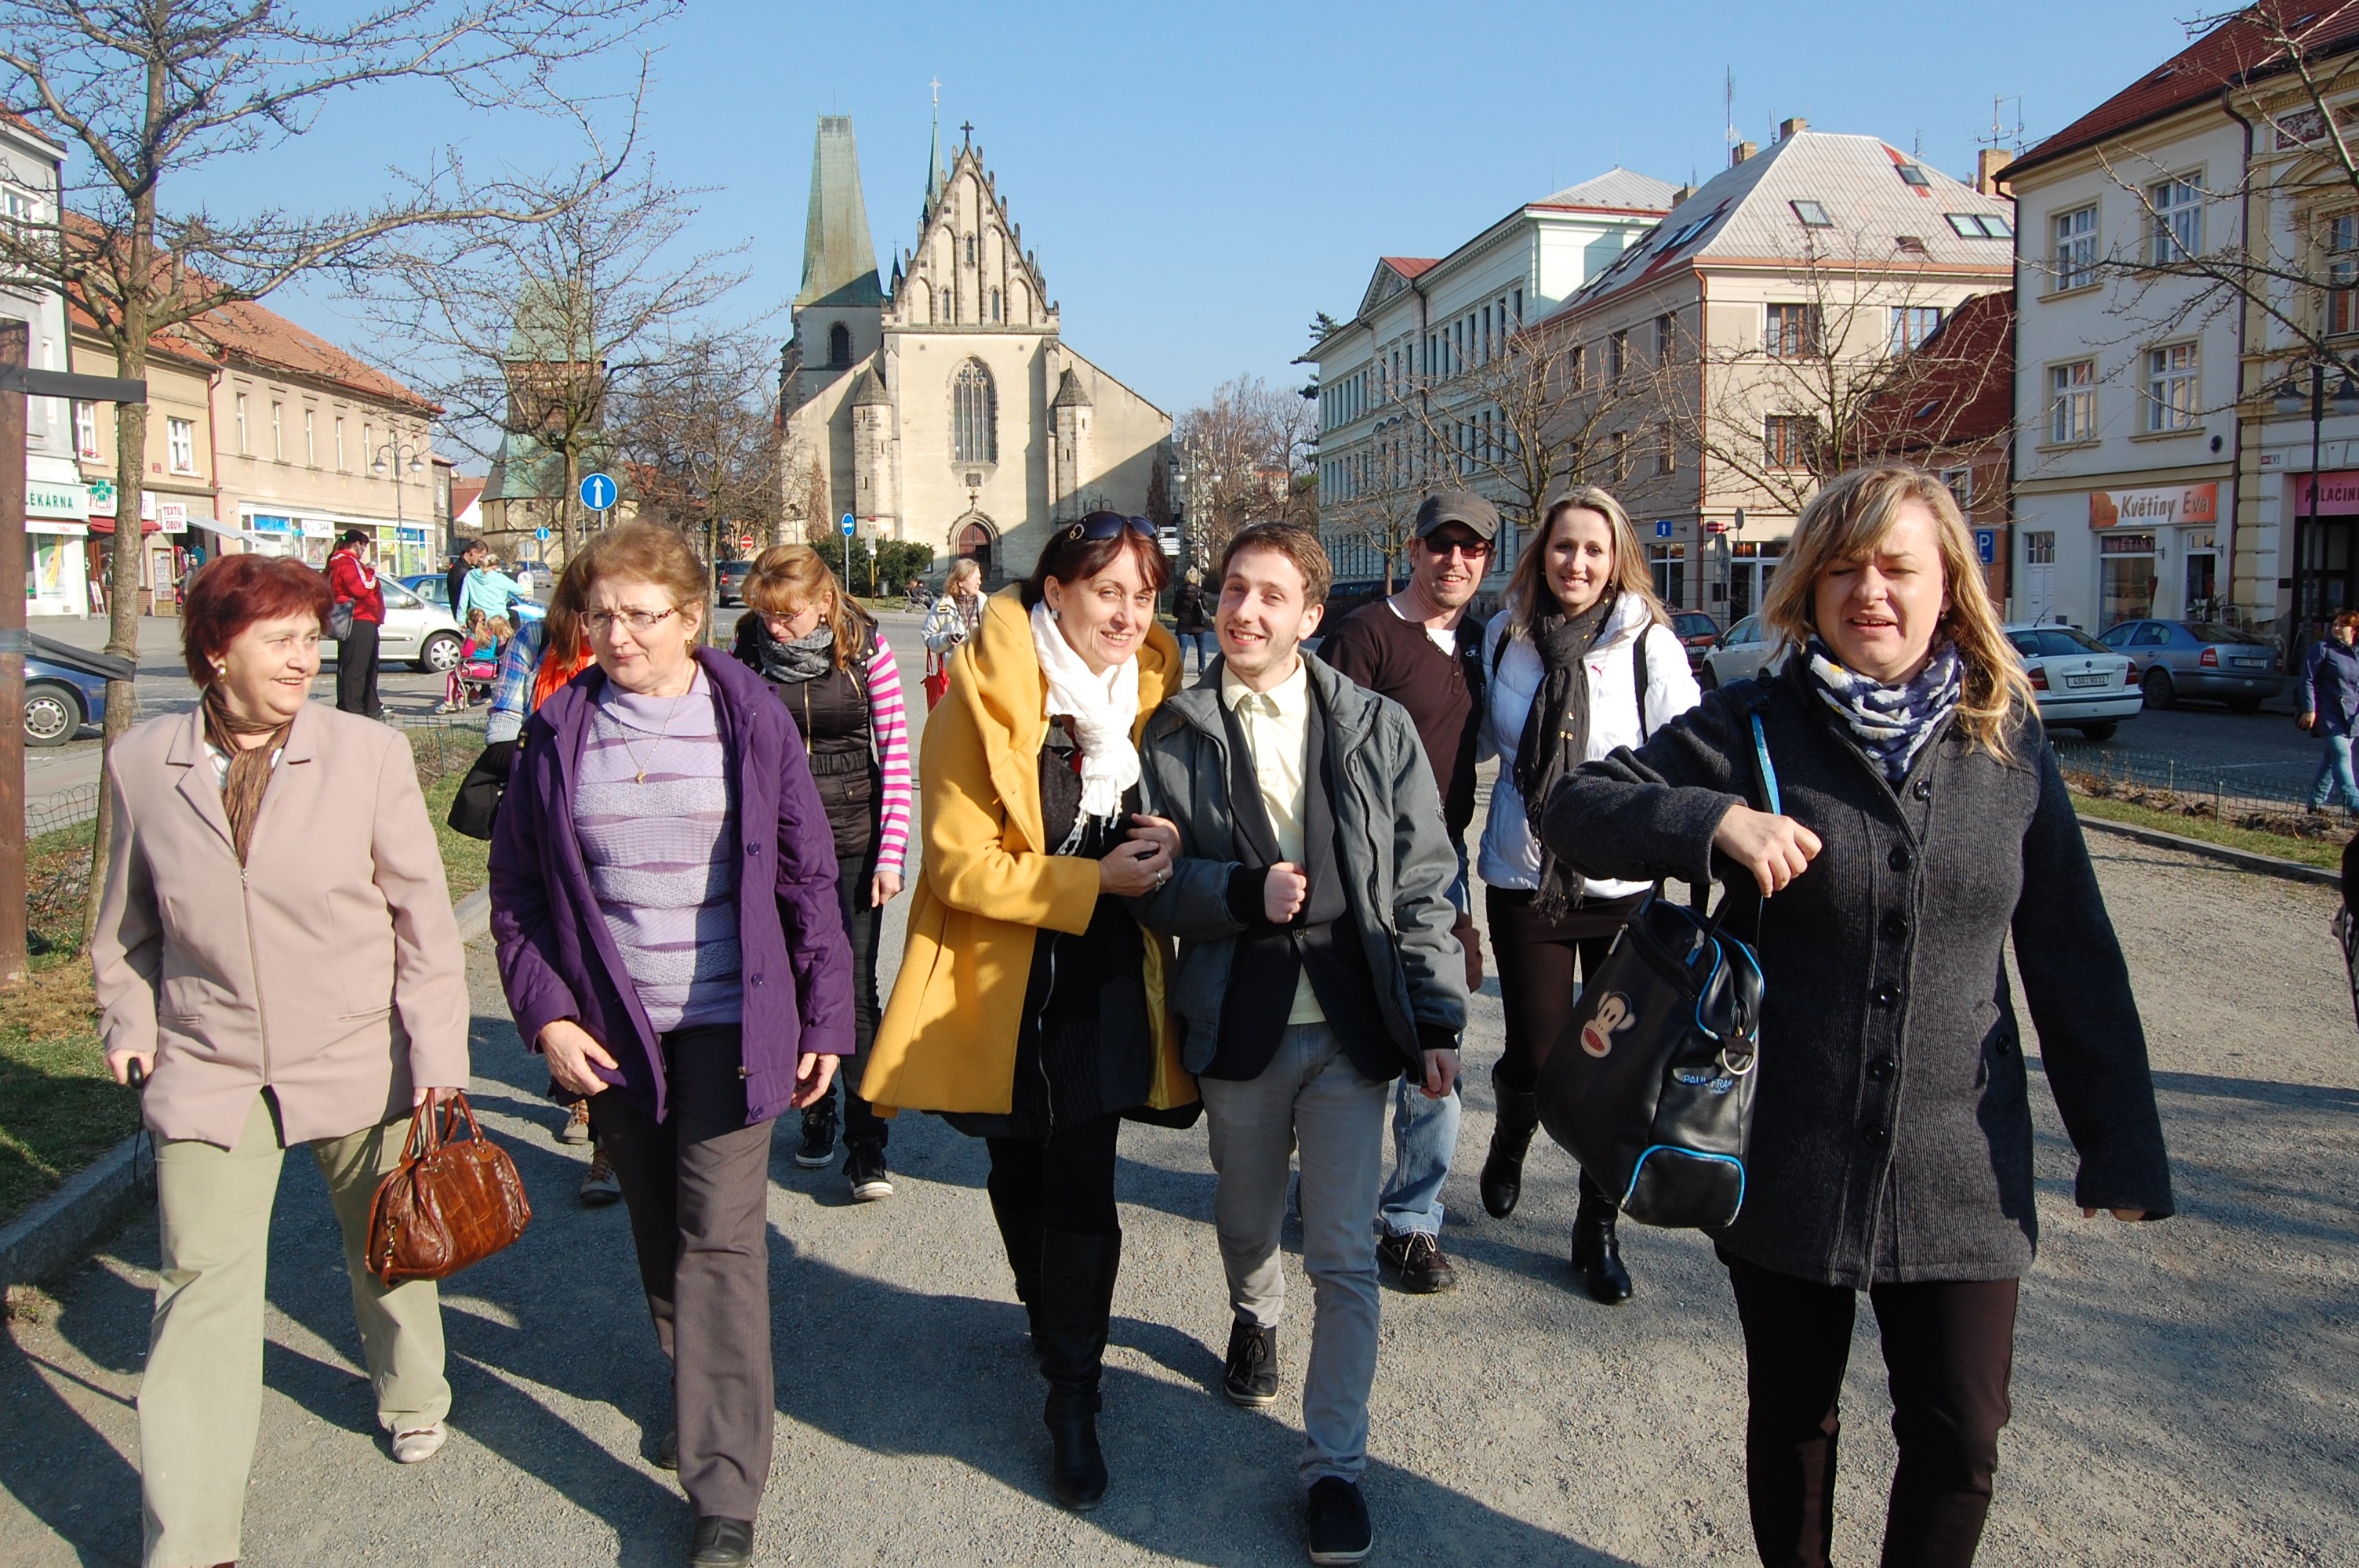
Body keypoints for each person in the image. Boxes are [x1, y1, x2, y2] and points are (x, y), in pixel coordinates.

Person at [1544, 463, 2174, 1568]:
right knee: (1794, 1423)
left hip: (1960, 1164)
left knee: (1963, 1434)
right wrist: (1714, 821)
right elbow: (1576, 809)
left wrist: (2119, 1148)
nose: (1868, 591)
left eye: (1896, 567)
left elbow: (2072, 953)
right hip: (1790, 1156)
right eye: (1841, 568)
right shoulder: (1755, 725)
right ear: (1808, 588)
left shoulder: (2006, 739)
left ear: (1949, 587)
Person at [91, 554, 470, 1568]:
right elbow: (123, 929)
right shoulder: (143, 762)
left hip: (355, 1046)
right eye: (284, 640)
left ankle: (412, 1390)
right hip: (210, 1064)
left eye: (315, 636)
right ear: (218, 652)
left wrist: (438, 1053)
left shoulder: (365, 754)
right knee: (199, 1293)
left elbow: (423, 923)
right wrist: (127, 1021)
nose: (311, 657)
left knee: (386, 1249)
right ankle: (194, 1537)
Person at [489, 522, 852, 1568]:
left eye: (638, 615)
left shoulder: (750, 719)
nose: (613, 633)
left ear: (691, 621)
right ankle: (697, 1386)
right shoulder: (560, 730)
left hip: (734, 1023)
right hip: (614, 1028)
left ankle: (725, 1484)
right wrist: (548, 1015)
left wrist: (827, 1014)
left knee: (721, 1237)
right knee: (658, 1224)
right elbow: (516, 891)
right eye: (598, 612)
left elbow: (805, 875)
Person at [1133, 521, 1468, 1567]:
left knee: (1343, 1254)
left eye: (1272, 596)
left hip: (1348, 1028)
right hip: (1239, 1023)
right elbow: (1151, 888)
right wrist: (1240, 891)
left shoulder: (1373, 726)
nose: (1246, 611)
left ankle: (1335, 1470)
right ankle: (1250, 1311)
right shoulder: (1176, 733)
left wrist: (1438, 1019)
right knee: (1244, 1218)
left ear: (1312, 616)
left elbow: (1424, 879)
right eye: (1234, 590)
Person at [863, 512, 1194, 1513]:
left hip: (1100, 974)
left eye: (1142, 595)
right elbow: (959, 864)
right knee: (1017, 1169)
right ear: (1054, 591)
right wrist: (1091, 877)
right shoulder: (979, 690)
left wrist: (1170, 832)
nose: (1128, 616)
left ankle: (1072, 1388)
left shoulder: (1149, 689)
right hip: (999, 980)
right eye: (1107, 592)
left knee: (1085, 1184)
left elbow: (1179, 804)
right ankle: (1040, 1306)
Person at [1474, 486, 1700, 1305]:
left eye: (1593, 551)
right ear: (1541, 554)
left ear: (1615, 560)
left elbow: (1685, 755)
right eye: (1563, 547)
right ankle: (1512, 1128)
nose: (1576, 563)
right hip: (1523, 870)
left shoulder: (1648, 645)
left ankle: (1593, 1225)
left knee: (1615, 1069)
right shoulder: (1507, 635)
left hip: (1620, 880)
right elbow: (1475, 742)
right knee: (1539, 1055)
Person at [1312, 491, 1497, 1296]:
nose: (1454, 560)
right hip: (1357, 858)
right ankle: (1326, 1192)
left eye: (1472, 548)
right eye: (1440, 544)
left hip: (1438, 862)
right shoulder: (1364, 637)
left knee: (1438, 1038)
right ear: (1413, 548)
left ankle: (1413, 1220)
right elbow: (1318, 749)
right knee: (1345, 1036)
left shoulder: (1482, 644)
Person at [730, 543, 913, 1200]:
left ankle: (868, 1145)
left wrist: (892, 852)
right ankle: (816, 1112)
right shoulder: (745, 652)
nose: (776, 627)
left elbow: (894, 757)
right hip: (776, 849)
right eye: (767, 614)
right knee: (793, 983)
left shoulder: (868, 652)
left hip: (853, 842)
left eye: (789, 615)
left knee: (856, 996)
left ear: (824, 603)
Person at [2300, 610, 2359, 814]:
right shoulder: (2323, 649)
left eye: (2341, 625)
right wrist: (2310, 709)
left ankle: (2315, 803)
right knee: (2342, 756)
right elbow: (2307, 680)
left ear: (2354, 630)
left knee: (2330, 758)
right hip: (2328, 713)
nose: (2335, 628)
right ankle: (2355, 803)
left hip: (2352, 716)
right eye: (2334, 624)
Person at [327, 527, 386, 719]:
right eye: (364, 546)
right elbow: (361, 589)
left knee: (368, 666)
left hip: (365, 619)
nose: (364, 551)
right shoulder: (347, 562)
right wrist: (372, 575)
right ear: (356, 545)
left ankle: (370, 705)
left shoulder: (344, 563)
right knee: (356, 668)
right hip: (358, 619)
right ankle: (353, 709)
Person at [923, 557, 987, 655]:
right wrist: (947, 639)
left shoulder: (987, 604)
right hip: (955, 666)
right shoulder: (941, 606)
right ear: (961, 582)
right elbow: (928, 639)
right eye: (976, 579)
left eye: (980, 578)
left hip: (982, 666)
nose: (979, 582)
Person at [463, 554, 529, 624]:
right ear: (495, 567)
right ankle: (514, 635)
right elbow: (520, 591)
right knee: (514, 617)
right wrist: (524, 583)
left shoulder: (470, 576)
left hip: (478, 619)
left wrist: (461, 621)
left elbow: (463, 601)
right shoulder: (500, 578)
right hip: (498, 620)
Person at [1171, 567, 1212, 672]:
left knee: (1183, 647)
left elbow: (1176, 607)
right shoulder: (1199, 591)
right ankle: (1201, 667)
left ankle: (1180, 669)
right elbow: (1205, 606)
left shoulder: (1180, 591)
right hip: (1197, 622)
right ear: (1196, 578)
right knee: (1201, 645)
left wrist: (1176, 614)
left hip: (1184, 622)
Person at [446, 539, 484, 615]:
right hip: (467, 616)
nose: (481, 560)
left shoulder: (468, 569)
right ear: (473, 553)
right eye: (481, 556)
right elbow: (460, 597)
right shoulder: (460, 571)